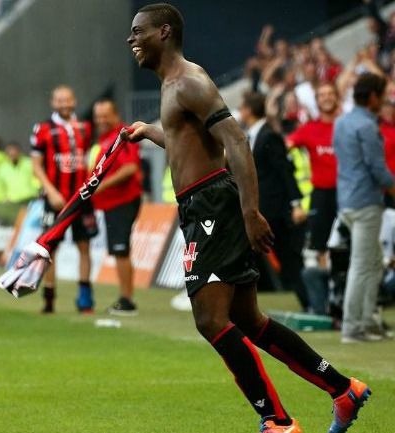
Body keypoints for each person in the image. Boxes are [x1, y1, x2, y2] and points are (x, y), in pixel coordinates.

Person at [125, 5, 368, 433]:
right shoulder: (172, 86)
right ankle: (342, 389)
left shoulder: (189, 81)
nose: (131, 40)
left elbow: (236, 142)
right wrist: (150, 131)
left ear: (164, 33)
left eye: (138, 32)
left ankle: (277, 421)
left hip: (213, 208)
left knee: (210, 320)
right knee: (249, 321)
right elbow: (190, 148)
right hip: (201, 206)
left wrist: (250, 211)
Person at [333, 72, 395, 343]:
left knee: (372, 263)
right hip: (366, 202)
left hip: (346, 200)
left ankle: (368, 321)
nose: (383, 101)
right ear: (372, 97)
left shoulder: (342, 122)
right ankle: (353, 327)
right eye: (381, 96)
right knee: (362, 265)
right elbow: (378, 170)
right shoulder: (368, 127)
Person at [31, 85, 97, 314]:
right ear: (53, 103)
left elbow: (89, 159)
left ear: (74, 101)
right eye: (59, 100)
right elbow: (36, 165)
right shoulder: (42, 129)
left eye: (67, 100)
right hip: (55, 199)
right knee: (50, 249)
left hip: (82, 198)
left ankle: (85, 298)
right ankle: (49, 299)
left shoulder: (86, 128)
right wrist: (50, 191)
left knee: (84, 246)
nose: (64, 104)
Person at [239, 91, 308, 308]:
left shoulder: (269, 136)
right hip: (261, 209)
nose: (240, 111)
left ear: (249, 110)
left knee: (289, 260)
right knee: (251, 253)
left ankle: (312, 303)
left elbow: (285, 171)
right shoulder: (252, 135)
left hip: (275, 211)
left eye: (242, 107)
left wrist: (296, 203)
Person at [286, 82, 340, 314]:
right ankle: (325, 297)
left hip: (346, 193)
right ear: (316, 101)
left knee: (344, 246)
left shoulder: (345, 124)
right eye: (322, 94)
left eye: (330, 93)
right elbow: (287, 146)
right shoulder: (309, 129)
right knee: (320, 247)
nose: (326, 98)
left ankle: (341, 294)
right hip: (321, 196)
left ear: (337, 97)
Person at [90, 98, 142, 316]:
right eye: (98, 116)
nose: (101, 120)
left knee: (121, 251)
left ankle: (127, 300)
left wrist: (99, 185)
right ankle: (126, 297)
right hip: (113, 202)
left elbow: (130, 168)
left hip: (123, 200)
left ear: (115, 114)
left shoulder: (123, 135)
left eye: (105, 115)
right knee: (120, 251)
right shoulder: (105, 139)